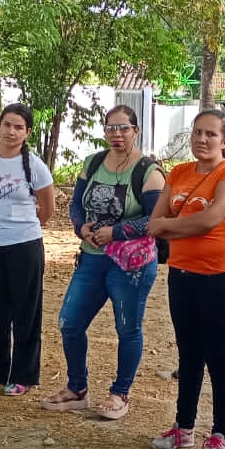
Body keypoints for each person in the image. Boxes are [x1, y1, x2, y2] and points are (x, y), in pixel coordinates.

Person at [44, 104, 166, 420]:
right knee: (69, 322)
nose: (117, 134)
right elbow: (76, 204)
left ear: (135, 131)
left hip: (130, 265)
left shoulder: (148, 172)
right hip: (92, 258)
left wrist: (117, 231)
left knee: (127, 328)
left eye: (124, 128)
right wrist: (79, 226)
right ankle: (77, 388)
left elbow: (155, 219)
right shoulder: (94, 162)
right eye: (111, 128)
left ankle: (120, 393)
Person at [146, 109, 225, 449]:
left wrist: (170, 227)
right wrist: (170, 225)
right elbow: (155, 219)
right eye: (197, 133)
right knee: (188, 355)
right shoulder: (179, 172)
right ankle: (183, 428)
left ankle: (221, 434)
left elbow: (211, 219)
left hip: (218, 278)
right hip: (182, 275)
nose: (202, 140)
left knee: (219, 357)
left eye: (211, 134)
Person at [0, 102, 56, 396]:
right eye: (7, 125)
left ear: (27, 132)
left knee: (25, 311)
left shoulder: (36, 166)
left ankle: (24, 375)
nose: (12, 132)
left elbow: (47, 208)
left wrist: (21, 227)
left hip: (24, 246)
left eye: (19, 127)